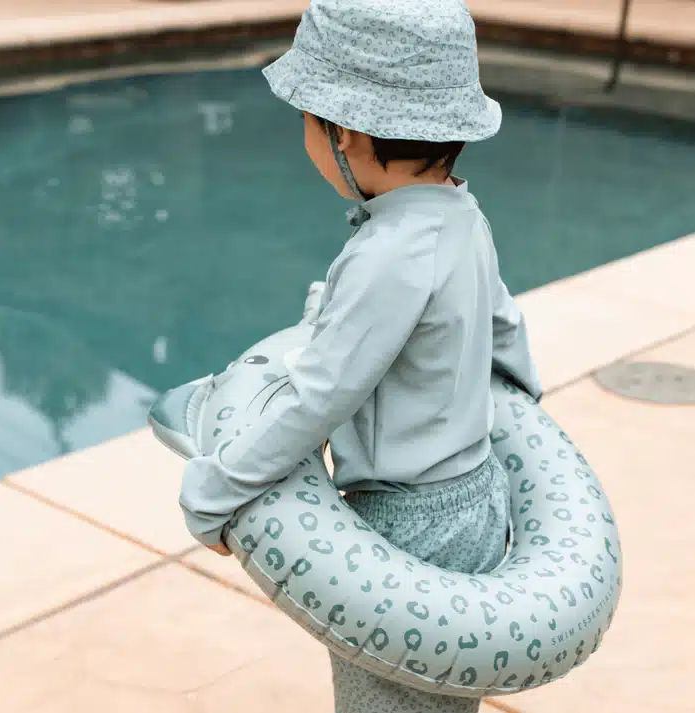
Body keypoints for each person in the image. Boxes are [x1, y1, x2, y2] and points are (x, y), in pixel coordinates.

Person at [179, 0, 542, 710]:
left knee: (382, 698)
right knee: (436, 698)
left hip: (408, 522)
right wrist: (522, 407)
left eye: (306, 119)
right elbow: (505, 328)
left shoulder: (386, 255)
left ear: (343, 133)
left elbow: (318, 396)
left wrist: (213, 493)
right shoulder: (464, 217)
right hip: (474, 500)